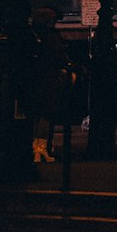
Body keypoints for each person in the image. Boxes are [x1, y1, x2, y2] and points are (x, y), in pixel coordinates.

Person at [25, 8, 74, 163]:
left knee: (37, 115)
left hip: (36, 78)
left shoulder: (34, 36)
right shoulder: (51, 37)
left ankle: (36, 148)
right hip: (49, 79)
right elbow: (58, 56)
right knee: (46, 114)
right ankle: (41, 148)